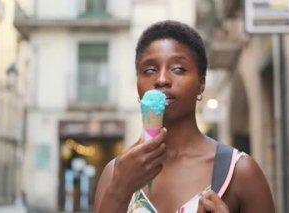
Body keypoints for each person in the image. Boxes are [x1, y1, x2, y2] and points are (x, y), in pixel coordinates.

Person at [94, 20, 275, 213]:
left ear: (201, 83)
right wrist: (118, 191)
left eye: (178, 69)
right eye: (149, 70)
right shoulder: (116, 173)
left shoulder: (241, 171)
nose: (161, 79)